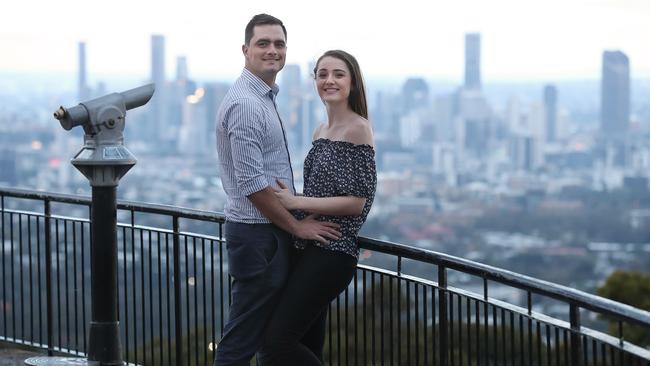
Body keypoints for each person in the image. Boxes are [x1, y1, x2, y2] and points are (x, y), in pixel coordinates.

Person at [213, 15, 342, 366]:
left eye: (279, 44)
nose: (273, 51)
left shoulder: (262, 97)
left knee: (270, 337)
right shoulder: (246, 104)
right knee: (242, 340)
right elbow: (252, 184)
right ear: (245, 50)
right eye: (263, 43)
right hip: (259, 237)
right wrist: (297, 226)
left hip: (266, 235)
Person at [261, 50, 377, 365]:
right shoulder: (320, 130)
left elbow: (357, 202)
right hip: (310, 245)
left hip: (333, 252)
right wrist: (291, 203)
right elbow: (321, 192)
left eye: (338, 74)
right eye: (322, 74)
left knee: (275, 344)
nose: (329, 80)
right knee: (306, 345)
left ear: (352, 82)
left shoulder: (358, 128)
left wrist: (296, 201)